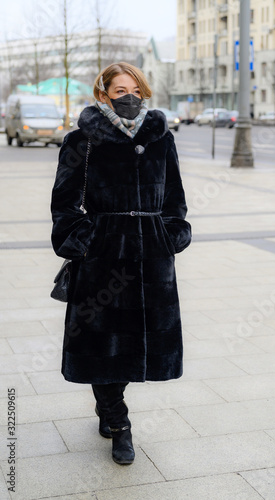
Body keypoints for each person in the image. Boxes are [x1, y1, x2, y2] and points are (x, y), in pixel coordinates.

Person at [51, 62, 192, 465]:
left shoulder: (161, 138)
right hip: (103, 256)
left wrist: (173, 232)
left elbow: (175, 198)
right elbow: (64, 203)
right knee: (102, 342)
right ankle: (119, 423)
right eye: (119, 91)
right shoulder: (83, 140)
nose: (128, 97)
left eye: (135, 90)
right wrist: (83, 240)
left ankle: (109, 402)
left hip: (151, 257)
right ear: (103, 94)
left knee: (136, 342)